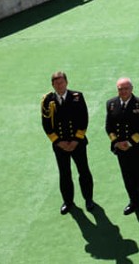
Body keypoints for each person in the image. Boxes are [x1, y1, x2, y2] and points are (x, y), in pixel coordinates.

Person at [41, 71, 95, 214]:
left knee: (83, 171)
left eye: (62, 82)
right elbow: (46, 124)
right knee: (64, 174)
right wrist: (59, 142)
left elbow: (84, 119)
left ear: (67, 82)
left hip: (78, 143)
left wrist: (76, 140)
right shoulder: (47, 100)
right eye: (56, 83)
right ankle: (68, 201)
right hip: (60, 145)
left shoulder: (77, 97)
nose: (59, 85)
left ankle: (89, 199)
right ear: (52, 85)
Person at [106, 77, 139, 216]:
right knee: (127, 176)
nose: (123, 91)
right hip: (121, 149)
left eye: (126, 88)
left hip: (137, 148)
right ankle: (133, 201)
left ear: (131, 89)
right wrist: (116, 143)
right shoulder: (111, 104)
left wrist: (129, 143)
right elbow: (109, 127)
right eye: (120, 89)